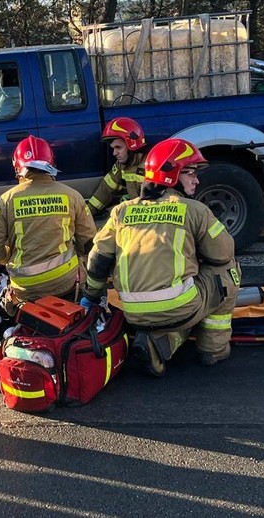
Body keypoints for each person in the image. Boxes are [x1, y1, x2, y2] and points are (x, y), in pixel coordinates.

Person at [81, 138, 241, 377]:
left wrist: (90, 299)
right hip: (180, 308)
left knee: (177, 311)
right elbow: (223, 254)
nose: (196, 179)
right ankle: (213, 349)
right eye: (190, 172)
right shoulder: (194, 210)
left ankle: (157, 345)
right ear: (173, 175)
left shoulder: (121, 211)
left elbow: (98, 260)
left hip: (133, 312)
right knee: (229, 272)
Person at [0, 135, 95, 317]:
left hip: (26, 288)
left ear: (17, 166)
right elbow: (89, 243)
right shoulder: (72, 196)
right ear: (50, 163)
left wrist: (6, 258)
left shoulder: (7, 199)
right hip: (65, 282)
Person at [86, 117, 148, 216]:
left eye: (118, 147)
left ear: (132, 145)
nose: (114, 153)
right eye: (113, 148)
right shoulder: (121, 165)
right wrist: (86, 215)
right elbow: (105, 190)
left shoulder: (151, 165)